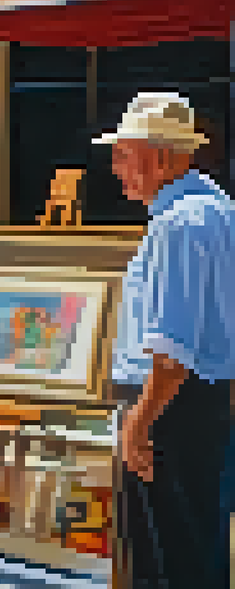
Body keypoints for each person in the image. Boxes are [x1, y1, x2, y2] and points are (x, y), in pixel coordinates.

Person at [93, 92, 235, 587]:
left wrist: (139, 421)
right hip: (200, 405)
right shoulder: (217, 209)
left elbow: (172, 351)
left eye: (123, 154)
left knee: (164, 562)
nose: (116, 167)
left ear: (161, 156)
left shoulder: (180, 223)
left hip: (170, 408)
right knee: (196, 552)